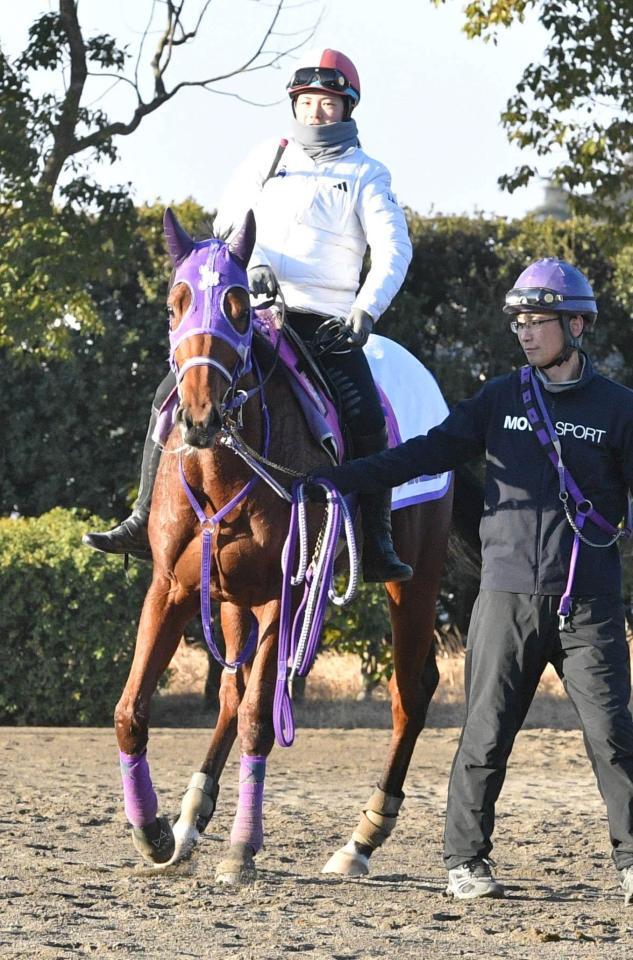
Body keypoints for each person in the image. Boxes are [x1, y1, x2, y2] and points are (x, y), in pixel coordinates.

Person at [307, 258, 633, 904]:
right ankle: (465, 861)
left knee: (615, 739)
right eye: (518, 319)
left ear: (575, 324)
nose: (524, 331)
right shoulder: (499, 398)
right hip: (504, 598)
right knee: (483, 735)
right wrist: (343, 480)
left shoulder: (618, 409)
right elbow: (424, 453)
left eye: (537, 320)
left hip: (587, 603)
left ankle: (630, 863)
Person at [84, 47, 413, 583]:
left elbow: (394, 250)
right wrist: (248, 268)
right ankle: (143, 517)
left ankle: (374, 539)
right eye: (306, 102)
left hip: (324, 322)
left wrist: (365, 310)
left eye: (327, 103)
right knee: (170, 393)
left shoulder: (367, 173)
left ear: (349, 107)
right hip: (251, 311)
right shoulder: (268, 155)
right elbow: (228, 222)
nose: (315, 112)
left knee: (366, 416)